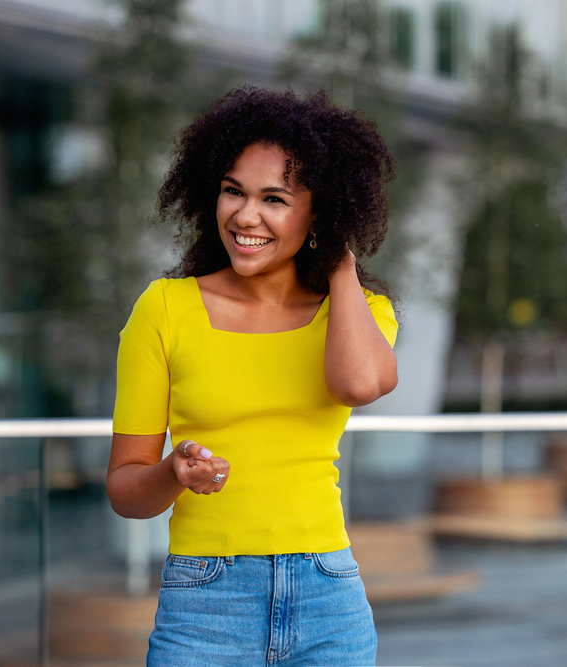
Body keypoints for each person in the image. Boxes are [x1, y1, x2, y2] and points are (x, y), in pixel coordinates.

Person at [106, 86, 399, 667]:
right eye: (233, 192)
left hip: (328, 598)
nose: (245, 216)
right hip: (204, 605)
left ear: (320, 211)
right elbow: (124, 490)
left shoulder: (357, 313)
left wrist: (338, 250)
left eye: (275, 199)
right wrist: (173, 472)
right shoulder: (165, 309)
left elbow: (359, 385)